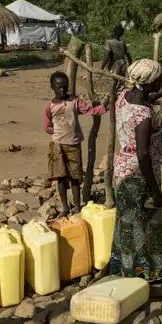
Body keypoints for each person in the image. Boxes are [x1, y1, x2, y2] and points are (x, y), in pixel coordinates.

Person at [110, 59, 162, 282]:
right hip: (140, 176)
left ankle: (125, 269)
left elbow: (144, 99)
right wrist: (155, 191)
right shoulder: (143, 115)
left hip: (122, 171)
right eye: (159, 79)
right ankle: (148, 274)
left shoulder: (123, 98)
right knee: (145, 226)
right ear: (149, 83)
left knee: (126, 222)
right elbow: (142, 154)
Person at [44, 71, 107, 216]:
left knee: (75, 177)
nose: (62, 90)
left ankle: (77, 207)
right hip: (57, 145)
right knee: (61, 177)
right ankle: (65, 208)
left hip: (74, 145)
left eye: (65, 87)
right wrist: (57, 134)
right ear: (52, 87)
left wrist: (106, 105)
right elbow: (47, 126)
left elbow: (90, 110)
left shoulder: (75, 101)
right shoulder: (50, 106)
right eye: (59, 87)